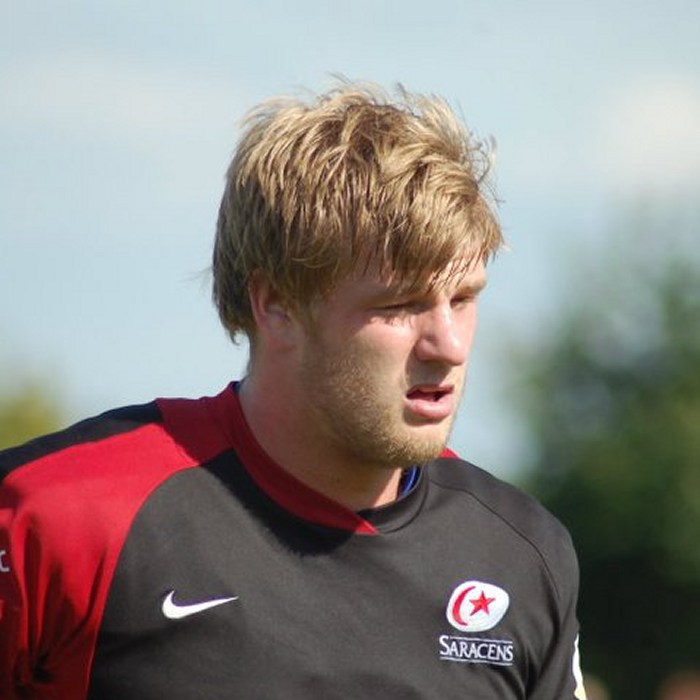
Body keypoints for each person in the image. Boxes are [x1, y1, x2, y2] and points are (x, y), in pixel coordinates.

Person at [0, 81, 587, 699]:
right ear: (276, 305)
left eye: (463, 298)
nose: (449, 345)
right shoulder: (54, 519)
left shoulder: (522, 555)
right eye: (399, 305)